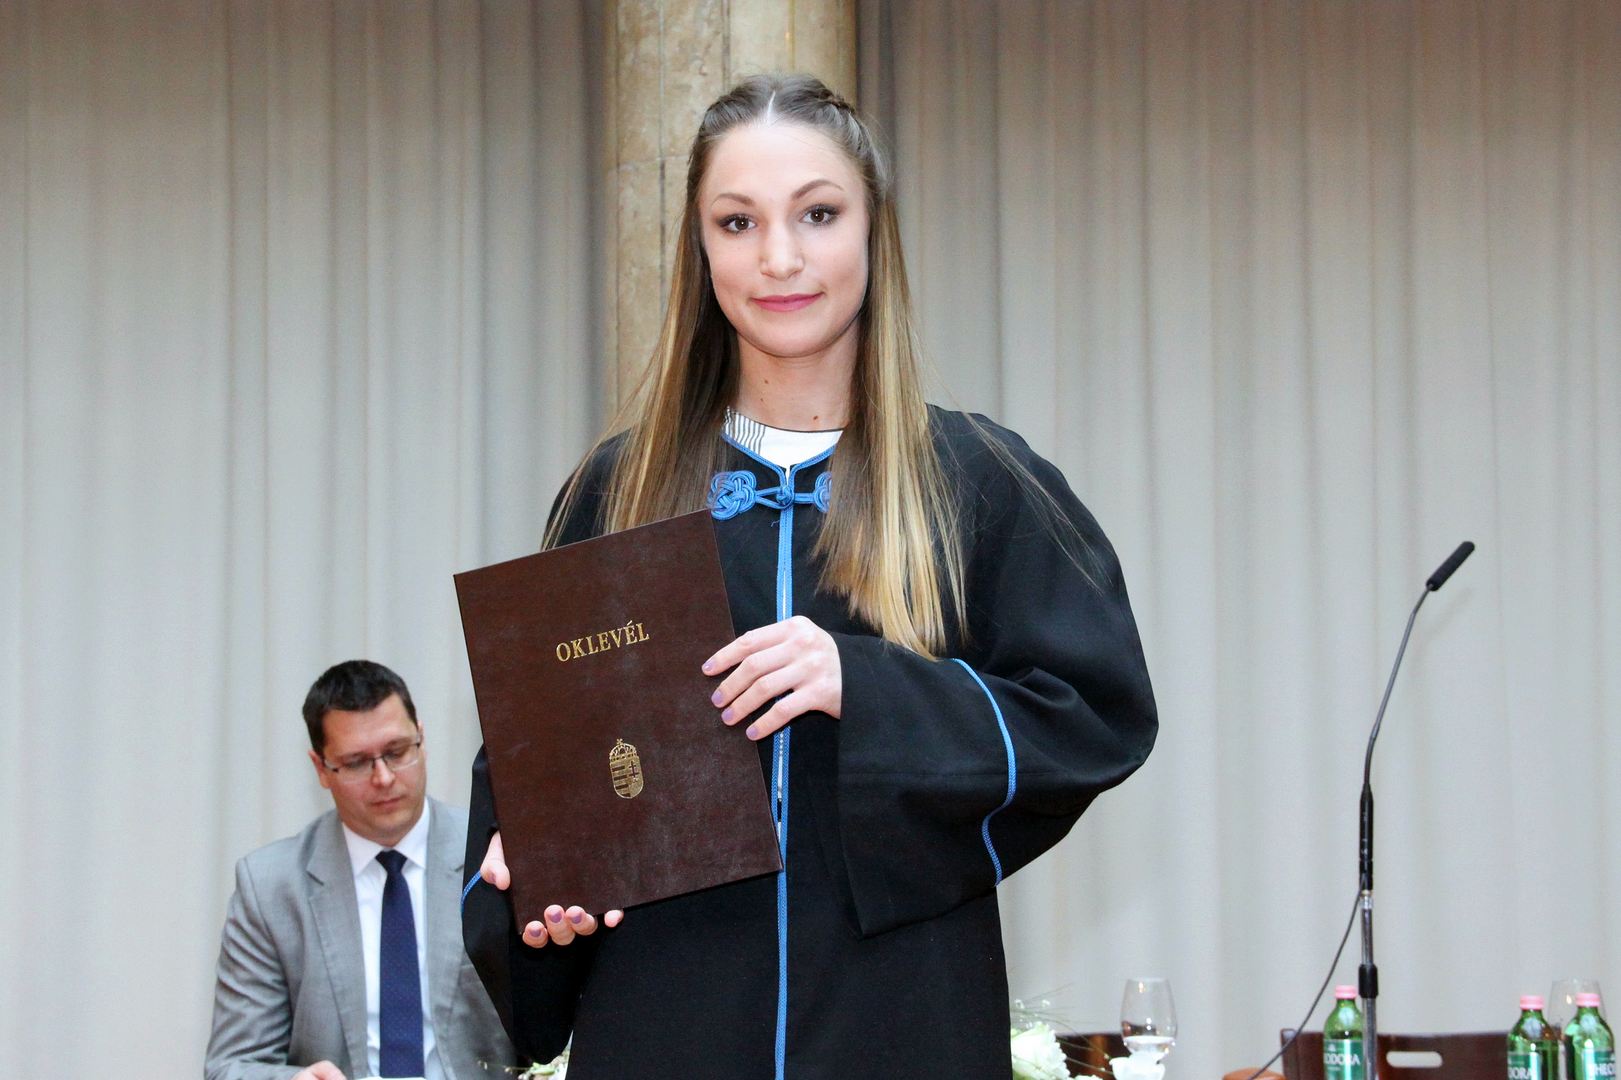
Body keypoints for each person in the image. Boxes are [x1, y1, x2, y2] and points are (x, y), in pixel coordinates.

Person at [461, 74, 1158, 1079]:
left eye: (818, 214)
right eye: (737, 222)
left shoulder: (978, 482)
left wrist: (865, 684)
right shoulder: (616, 489)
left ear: (874, 231)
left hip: (902, 1026)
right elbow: (528, 773)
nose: (778, 257)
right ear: (700, 250)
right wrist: (531, 879)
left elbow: (1093, 718)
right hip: (667, 1029)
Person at [206, 660, 513, 1080]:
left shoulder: (492, 855)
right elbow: (230, 1066)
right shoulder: (271, 887)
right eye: (355, 762)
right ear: (321, 768)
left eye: (397, 752)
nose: (383, 778)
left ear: (421, 739)